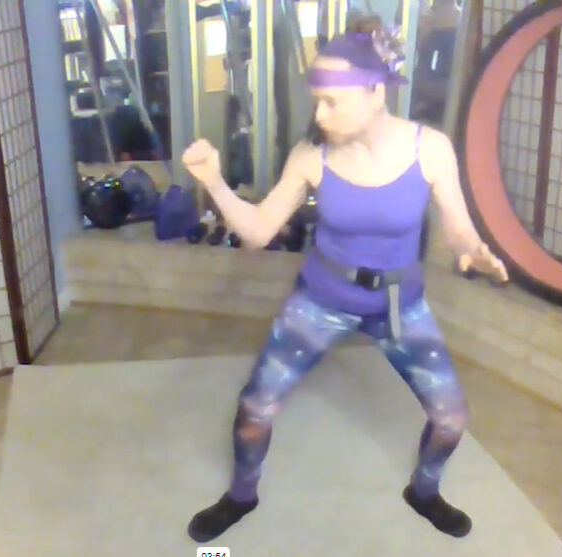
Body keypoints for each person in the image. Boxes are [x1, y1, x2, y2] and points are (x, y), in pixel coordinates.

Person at [180, 11, 508, 544]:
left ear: (377, 92)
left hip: (398, 303)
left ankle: (424, 491)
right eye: (318, 100)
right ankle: (241, 495)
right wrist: (214, 183)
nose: (319, 113)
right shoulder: (311, 156)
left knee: (451, 418)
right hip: (321, 300)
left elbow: (459, 227)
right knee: (254, 408)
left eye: (332, 101)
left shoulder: (429, 148)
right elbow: (258, 231)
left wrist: (474, 250)